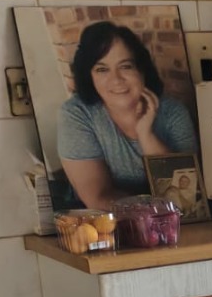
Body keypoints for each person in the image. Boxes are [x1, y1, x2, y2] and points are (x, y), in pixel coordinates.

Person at [57, 21, 197, 210]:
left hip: (169, 221)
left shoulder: (173, 112)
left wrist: (146, 134)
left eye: (126, 66)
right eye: (102, 69)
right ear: (90, 77)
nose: (116, 79)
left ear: (142, 70)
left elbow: (187, 195)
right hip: (103, 223)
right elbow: (98, 198)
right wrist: (158, 211)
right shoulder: (77, 114)